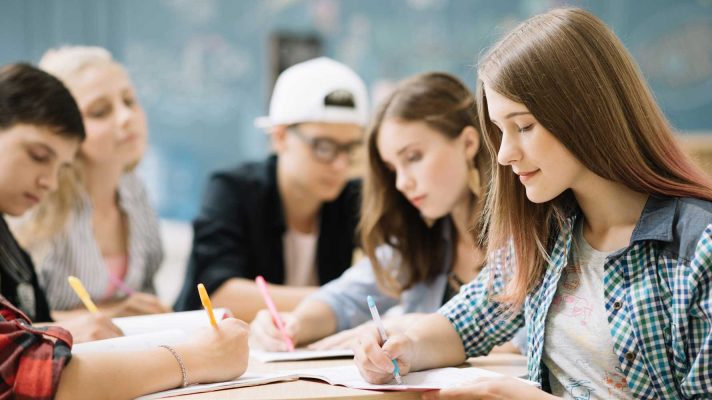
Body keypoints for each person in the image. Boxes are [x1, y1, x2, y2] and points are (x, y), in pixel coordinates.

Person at [352, 8, 712, 399]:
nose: (504, 154)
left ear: (587, 114)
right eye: (500, 131)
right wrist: (402, 346)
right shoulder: (548, 231)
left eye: (524, 127)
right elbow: (466, 323)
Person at [0, 63, 250, 400]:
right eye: (38, 156)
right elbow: (32, 372)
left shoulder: (135, 194)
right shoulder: (27, 214)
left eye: (130, 102)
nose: (48, 180)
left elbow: (31, 326)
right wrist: (196, 358)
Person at [253, 72, 524, 353]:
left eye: (413, 157)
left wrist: (416, 330)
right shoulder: (421, 239)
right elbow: (347, 298)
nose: (401, 182)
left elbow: (540, 338)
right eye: (393, 168)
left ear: (468, 143)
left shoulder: (527, 233)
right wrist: (293, 324)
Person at [175, 57, 367, 321]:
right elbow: (217, 295)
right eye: (324, 147)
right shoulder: (233, 190)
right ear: (280, 137)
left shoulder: (352, 197)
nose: (340, 164)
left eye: (351, 148)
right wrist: (342, 299)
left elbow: (395, 278)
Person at [13, 46, 168, 321]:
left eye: (129, 101)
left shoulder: (134, 190)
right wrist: (109, 315)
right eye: (99, 112)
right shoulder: (33, 202)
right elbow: (18, 323)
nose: (126, 118)